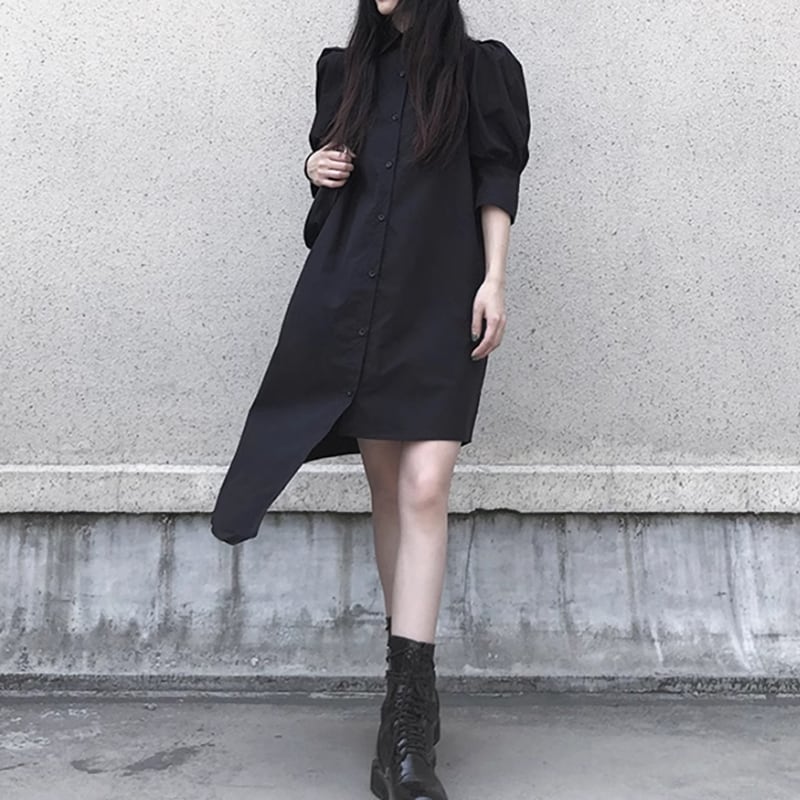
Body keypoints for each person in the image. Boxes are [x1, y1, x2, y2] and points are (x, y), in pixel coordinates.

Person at [211, 0, 530, 797]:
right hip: (357, 300)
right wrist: (315, 168)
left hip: (440, 302)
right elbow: (331, 195)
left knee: (426, 486)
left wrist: (494, 279)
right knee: (390, 491)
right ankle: (406, 708)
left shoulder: (482, 68)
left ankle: (410, 711)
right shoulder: (345, 70)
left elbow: (497, 175)